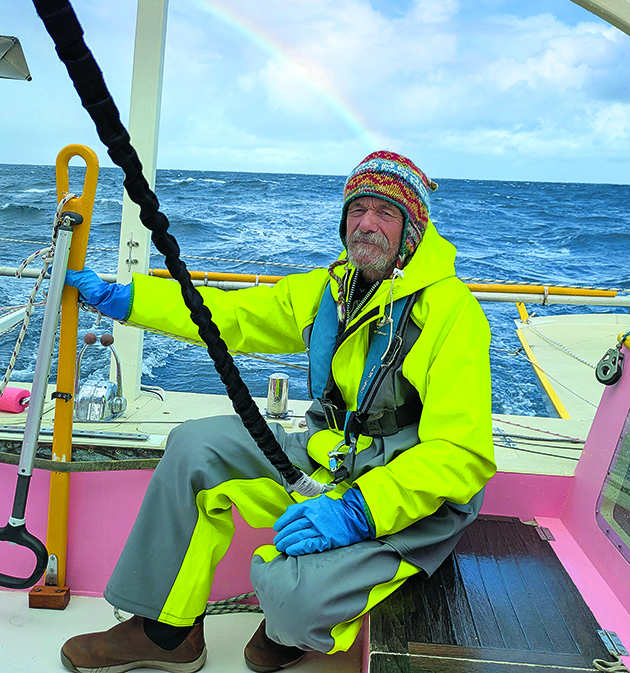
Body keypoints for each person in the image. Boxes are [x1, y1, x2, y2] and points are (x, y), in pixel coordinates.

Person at [60, 150, 496, 673]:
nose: (366, 224)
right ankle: (166, 632)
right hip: (327, 459)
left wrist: (360, 510)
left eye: (385, 212)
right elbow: (232, 314)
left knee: (292, 599)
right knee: (196, 447)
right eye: (358, 209)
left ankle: (292, 614)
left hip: (406, 497)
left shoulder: (453, 315)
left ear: (412, 230)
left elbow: (460, 455)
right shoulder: (330, 290)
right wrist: (127, 300)